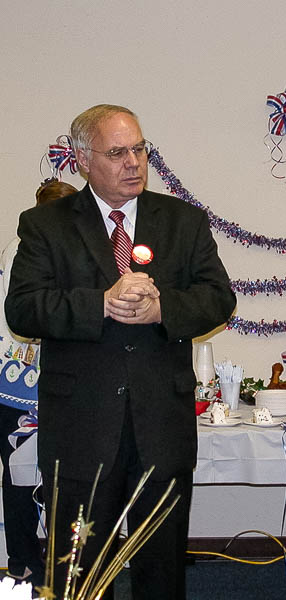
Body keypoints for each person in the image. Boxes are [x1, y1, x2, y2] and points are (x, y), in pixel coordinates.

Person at [5, 104, 236, 600]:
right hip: (81, 429)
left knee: (162, 564)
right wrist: (99, 304)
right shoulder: (45, 225)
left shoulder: (183, 221)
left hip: (162, 424)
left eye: (139, 149)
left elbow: (219, 298)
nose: (133, 162)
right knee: (80, 571)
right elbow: (22, 309)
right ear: (83, 159)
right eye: (117, 152)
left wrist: (162, 311)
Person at [0, 178, 77, 588]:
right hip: (21, 384)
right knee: (24, 477)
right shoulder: (27, 251)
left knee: (40, 478)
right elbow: (30, 318)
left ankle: (36, 563)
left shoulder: (26, 247)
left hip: (37, 382)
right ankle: (27, 563)